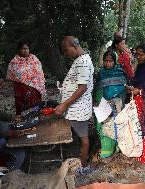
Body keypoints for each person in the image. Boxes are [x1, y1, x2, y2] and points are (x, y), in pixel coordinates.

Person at [55, 36, 94, 171]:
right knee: (81, 136)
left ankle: (83, 165)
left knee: (83, 137)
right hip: (77, 107)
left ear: (75, 46)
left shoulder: (82, 61)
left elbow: (82, 88)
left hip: (78, 108)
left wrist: (64, 104)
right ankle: (82, 160)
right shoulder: (81, 59)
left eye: (66, 50)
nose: (66, 54)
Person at [94, 50, 127, 160]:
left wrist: (116, 100)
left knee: (115, 127)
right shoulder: (100, 74)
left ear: (115, 61)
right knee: (104, 128)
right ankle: (106, 150)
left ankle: (117, 148)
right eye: (106, 61)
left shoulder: (121, 73)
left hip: (116, 107)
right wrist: (99, 100)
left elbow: (124, 91)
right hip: (102, 106)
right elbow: (97, 90)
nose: (108, 64)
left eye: (111, 61)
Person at [7, 41, 46, 115]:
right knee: (22, 105)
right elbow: (13, 75)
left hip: (35, 88)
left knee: (35, 104)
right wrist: (26, 81)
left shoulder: (34, 59)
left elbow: (39, 73)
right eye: (23, 49)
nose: (25, 50)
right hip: (21, 89)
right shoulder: (14, 62)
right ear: (19, 49)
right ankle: (22, 117)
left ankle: (35, 114)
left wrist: (33, 81)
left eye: (27, 48)